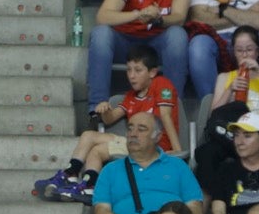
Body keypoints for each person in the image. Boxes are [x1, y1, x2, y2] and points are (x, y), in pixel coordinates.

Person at [38, 45, 178, 204]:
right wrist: (105, 110)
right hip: (134, 141)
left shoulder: (161, 84)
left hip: (155, 146)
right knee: (88, 135)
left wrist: (177, 150)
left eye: (138, 70)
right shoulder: (131, 96)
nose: (132, 76)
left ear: (152, 72)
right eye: (129, 70)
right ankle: (71, 175)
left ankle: (89, 186)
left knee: (98, 151)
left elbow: (166, 116)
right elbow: (109, 119)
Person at [86, 0, 193, 106]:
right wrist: (138, 14)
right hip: (125, 41)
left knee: (177, 35)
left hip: (157, 42)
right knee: (100, 34)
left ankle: (171, 107)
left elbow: (179, 17)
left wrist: (158, 19)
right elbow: (103, 16)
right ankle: (97, 108)